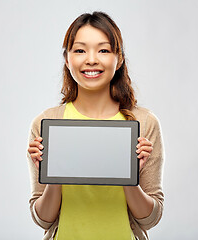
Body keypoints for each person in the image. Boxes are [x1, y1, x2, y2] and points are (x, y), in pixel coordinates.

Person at [27, 11, 164, 240]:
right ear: (67, 58)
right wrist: (51, 175)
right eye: (80, 50)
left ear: (118, 59)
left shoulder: (144, 123)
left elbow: (150, 219)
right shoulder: (46, 124)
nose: (91, 59)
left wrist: (130, 176)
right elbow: (43, 218)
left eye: (103, 50)